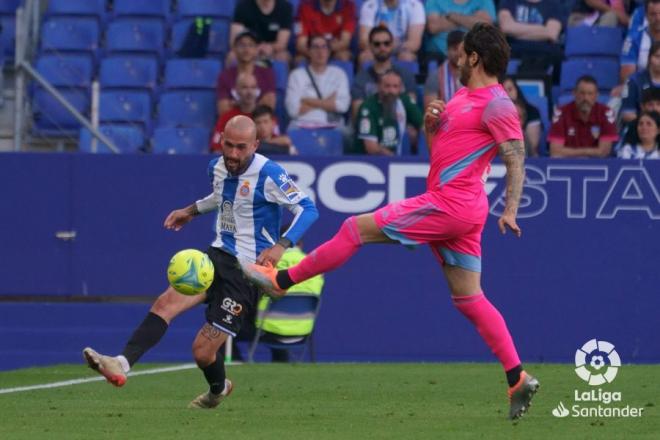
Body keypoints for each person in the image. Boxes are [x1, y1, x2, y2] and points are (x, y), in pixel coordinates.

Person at [243, 22, 539, 420]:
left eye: (462, 52)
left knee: (353, 229)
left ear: (475, 57)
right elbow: (443, 156)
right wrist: (435, 128)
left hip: (451, 204)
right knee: (469, 299)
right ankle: (517, 377)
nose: (455, 58)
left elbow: (515, 155)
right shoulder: (463, 99)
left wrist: (512, 208)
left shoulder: (497, 102)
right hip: (462, 210)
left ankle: (280, 281)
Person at [83, 115, 319, 409]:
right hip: (216, 257)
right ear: (221, 140)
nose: (233, 154)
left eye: (241, 148)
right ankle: (121, 363)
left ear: (256, 145)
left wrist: (281, 246)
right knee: (164, 304)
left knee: (202, 352)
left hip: (246, 273)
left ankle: (218, 389)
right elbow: (220, 197)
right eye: (229, 145)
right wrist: (190, 211)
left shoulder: (270, 174)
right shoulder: (216, 167)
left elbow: (308, 209)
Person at [254, 232, 325, 362]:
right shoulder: (315, 264)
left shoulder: (268, 264)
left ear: (277, 243)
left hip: (267, 330)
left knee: (226, 315)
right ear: (301, 244)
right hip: (303, 332)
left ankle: (232, 363)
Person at [352, 25, 417, 119]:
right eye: (377, 44)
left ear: (392, 45)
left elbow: (412, 110)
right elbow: (357, 114)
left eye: (386, 43)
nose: (382, 48)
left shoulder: (405, 75)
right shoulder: (361, 78)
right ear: (370, 46)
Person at [285, 35, 351, 128]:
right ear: (308, 51)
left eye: (324, 47)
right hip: (302, 124)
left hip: (333, 125)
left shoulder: (339, 74)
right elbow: (293, 110)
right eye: (315, 47)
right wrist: (328, 102)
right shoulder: (296, 75)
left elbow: (342, 106)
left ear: (329, 51)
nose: (320, 51)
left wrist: (306, 100)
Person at [352, 70, 423, 155]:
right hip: (369, 160)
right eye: (387, 86)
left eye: (395, 86)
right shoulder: (368, 107)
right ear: (379, 86)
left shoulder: (404, 101)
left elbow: (424, 124)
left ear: (400, 88)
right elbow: (371, 148)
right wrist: (396, 161)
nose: (391, 91)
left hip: (396, 157)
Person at [549, 75, 619, 158]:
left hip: (597, 166)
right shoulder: (561, 113)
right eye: (582, 93)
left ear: (597, 95)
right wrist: (591, 151)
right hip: (568, 165)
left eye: (590, 94)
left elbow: (604, 151)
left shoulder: (606, 113)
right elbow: (555, 152)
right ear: (574, 93)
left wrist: (570, 152)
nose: (586, 98)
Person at [216, 30, 276, 117]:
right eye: (242, 45)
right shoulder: (225, 76)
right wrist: (253, 103)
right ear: (234, 49)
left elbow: (269, 106)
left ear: (256, 49)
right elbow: (223, 110)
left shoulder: (267, 74)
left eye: (251, 45)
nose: (246, 49)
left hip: (259, 123)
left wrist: (236, 104)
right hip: (234, 123)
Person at [497, 0, 563, 77]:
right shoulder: (509, 1)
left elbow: (552, 33)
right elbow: (506, 27)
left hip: (544, 56)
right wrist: (542, 29)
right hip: (513, 54)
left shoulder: (553, 4)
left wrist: (515, 30)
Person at [424, 0, 495, 62]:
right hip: (438, 55)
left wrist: (452, 16)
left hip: (475, 55)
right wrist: (472, 19)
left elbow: (486, 27)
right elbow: (433, 27)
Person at [358, 0, 426, 63]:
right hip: (377, 49)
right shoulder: (370, 5)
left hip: (401, 50)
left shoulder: (414, 6)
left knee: (407, 57)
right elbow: (364, 42)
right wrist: (382, 47)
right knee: (366, 57)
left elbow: (414, 44)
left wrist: (389, 46)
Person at [229, 0, 293, 63]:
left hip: (272, 52)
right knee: (232, 56)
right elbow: (235, 40)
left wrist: (270, 47)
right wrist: (253, 48)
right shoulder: (243, 6)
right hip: (248, 49)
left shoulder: (285, 7)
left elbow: (282, 43)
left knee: (283, 56)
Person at [210, 72, 261, 152]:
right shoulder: (227, 118)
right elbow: (216, 148)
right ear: (236, 90)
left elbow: (280, 143)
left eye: (253, 87)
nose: (249, 92)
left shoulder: (265, 117)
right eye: (245, 87)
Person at [620, 40, 660, 123]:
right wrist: (650, 124)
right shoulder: (633, 81)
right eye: (657, 56)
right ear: (649, 58)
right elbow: (627, 114)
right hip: (640, 128)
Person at [424, 30, 465, 109]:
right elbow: (431, 111)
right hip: (446, 119)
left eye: (462, 49)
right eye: (455, 49)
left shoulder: (475, 75)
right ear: (447, 50)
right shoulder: (435, 77)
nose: (458, 53)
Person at [502, 76, 542, 157]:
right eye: (503, 91)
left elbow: (533, 146)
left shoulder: (532, 111)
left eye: (510, 89)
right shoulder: (493, 114)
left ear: (517, 90)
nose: (507, 94)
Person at [616, 86, 660, 151]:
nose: (655, 108)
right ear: (642, 107)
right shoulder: (633, 126)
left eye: (658, 104)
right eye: (650, 105)